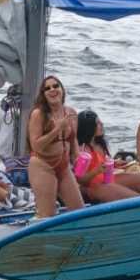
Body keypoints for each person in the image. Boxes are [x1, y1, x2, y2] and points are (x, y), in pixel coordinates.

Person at [26, 74, 84, 218]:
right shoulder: (38, 114)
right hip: (42, 165)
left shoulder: (71, 113)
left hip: (63, 166)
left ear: (62, 90)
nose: (52, 90)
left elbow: (73, 140)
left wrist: (78, 156)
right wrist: (57, 129)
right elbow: (36, 146)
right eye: (47, 88)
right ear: (43, 95)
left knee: (79, 211)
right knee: (47, 214)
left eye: (55, 86)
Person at [73, 110, 140, 202]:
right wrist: (96, 171)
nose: (102, 124)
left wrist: (114, 164)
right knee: (138, 199)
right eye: (97, 123)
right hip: (92, 187)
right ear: (88, 127)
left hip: (106, 180)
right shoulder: (82, 150)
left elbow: (100, 164)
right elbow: (80, 180)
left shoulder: (99, 144)